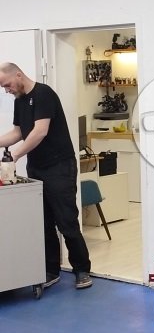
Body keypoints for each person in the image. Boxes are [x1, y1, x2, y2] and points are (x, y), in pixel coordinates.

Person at [0, 62, 92, 290]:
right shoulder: (19, 100)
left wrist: (15, 155)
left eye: (7, 85)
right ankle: (51, 270)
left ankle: (82, 269)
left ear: (18, 75)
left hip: (59, 166)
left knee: (66, 220)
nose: (7, 90)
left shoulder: (44, 94)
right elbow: (18, 132)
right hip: (37, 168)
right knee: (44, 223)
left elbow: (40, 131)